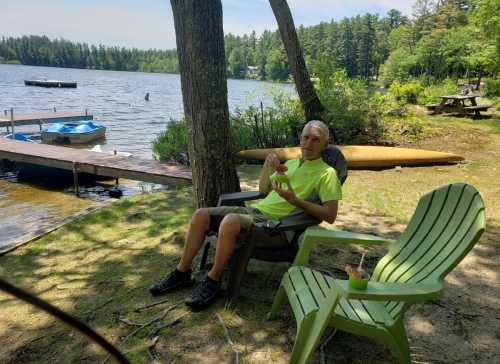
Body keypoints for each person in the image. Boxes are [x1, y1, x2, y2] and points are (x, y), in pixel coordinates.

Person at [149, 120, 342, 309]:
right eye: (305, 137)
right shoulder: (291, 164)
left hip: (278, 227)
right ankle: (181, 273)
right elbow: (264, 190)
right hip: (256, 213)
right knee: (201, 215)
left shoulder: (327, 173)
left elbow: (330, 215)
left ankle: (213, 280)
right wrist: (267, 166)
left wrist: (295, 201)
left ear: (325, 144)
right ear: (300, 139)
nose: (308, 143)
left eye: (315, 140)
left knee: (230, 221)